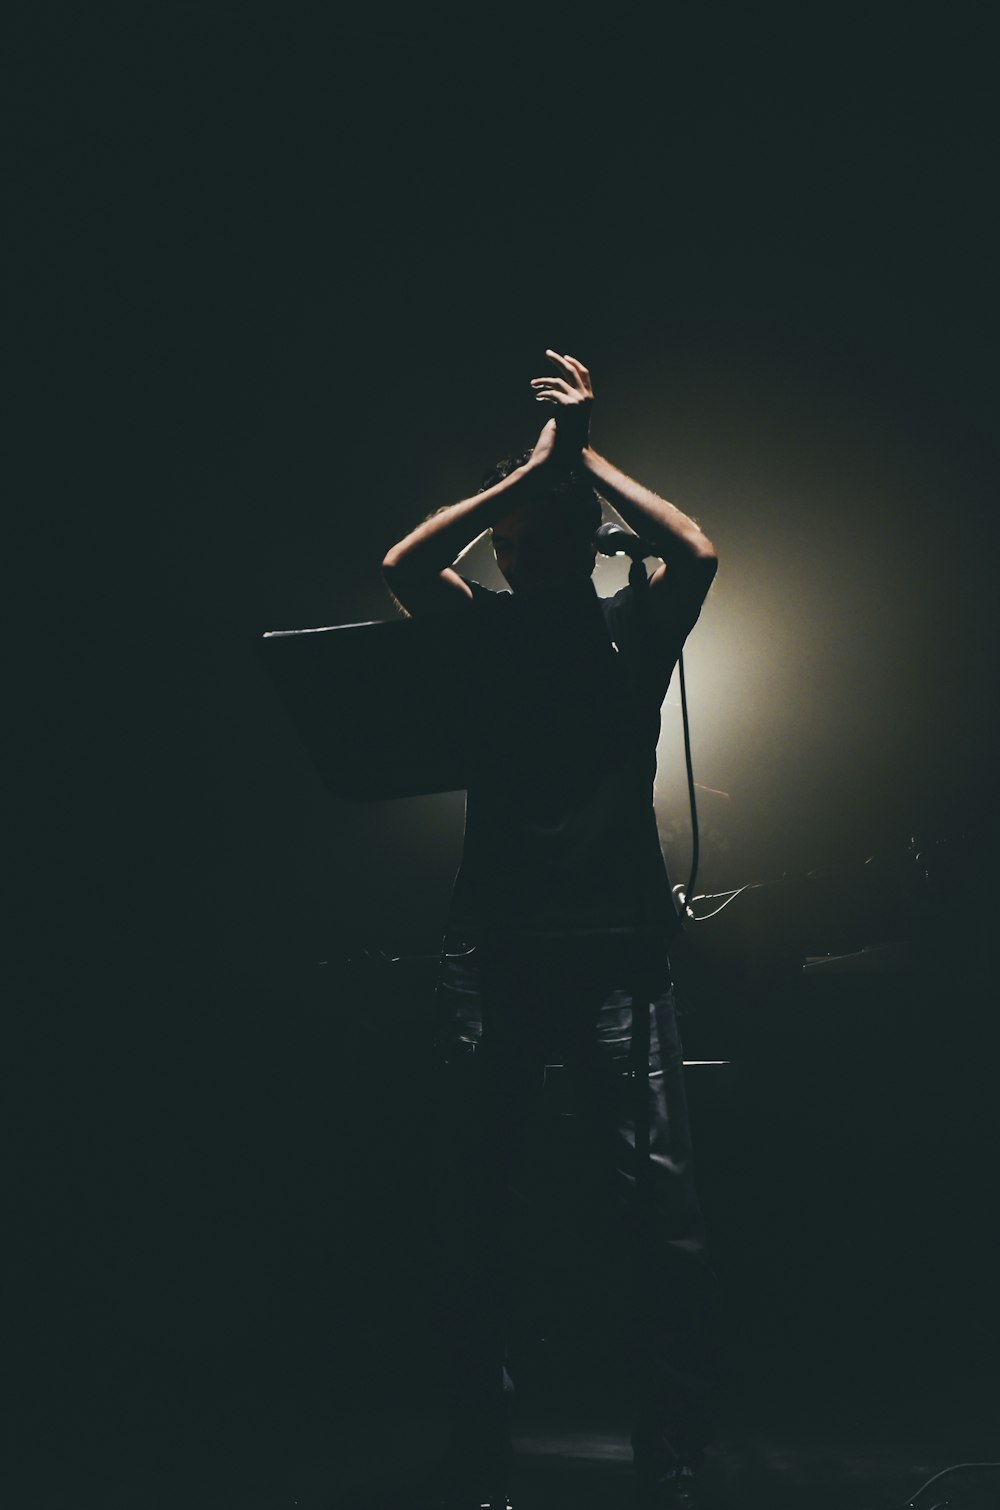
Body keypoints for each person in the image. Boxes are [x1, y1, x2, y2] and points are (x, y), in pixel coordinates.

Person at [381, 351, 720, 1510]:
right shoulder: (480, 630)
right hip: (500, 952)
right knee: (473, 1214)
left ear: (577, 538)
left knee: (661, 1222)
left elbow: (700, 549)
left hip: (617, 947)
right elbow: (406, 560)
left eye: (548, 524)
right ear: (507, 545)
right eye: (517, 530)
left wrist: (578, 454)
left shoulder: (633, 630)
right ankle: (481, 1460)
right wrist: (540, 460)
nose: (527, 542)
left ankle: (671, 1463)